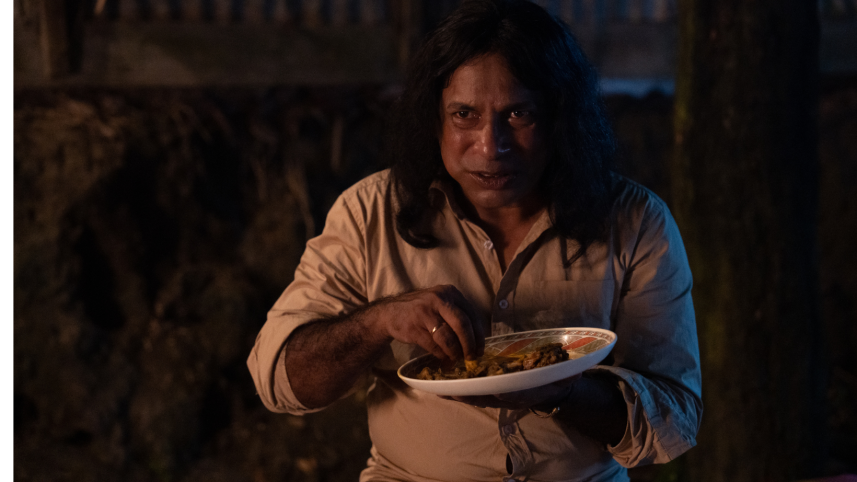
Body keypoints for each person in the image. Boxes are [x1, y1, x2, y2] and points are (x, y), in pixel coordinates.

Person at [247, 1, 702, 480]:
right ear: (434, 120)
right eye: (464, 114)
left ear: (559, 119)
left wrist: (562, 392)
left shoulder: (634, 221)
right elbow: (280, 381)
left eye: (518, 114)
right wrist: (378, 321)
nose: (490, 147)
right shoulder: (369, 214)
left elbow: (675, 417)